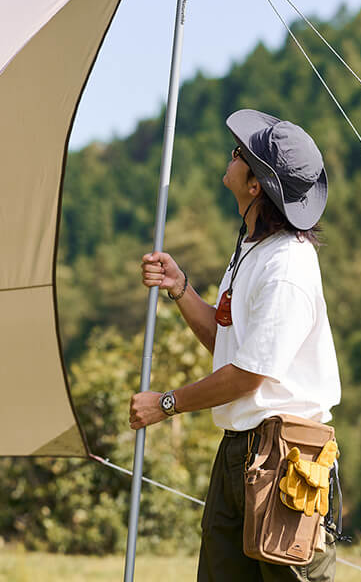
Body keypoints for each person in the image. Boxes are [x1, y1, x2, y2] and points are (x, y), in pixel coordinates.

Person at [129, 109, 341, 582]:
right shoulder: (253, 250)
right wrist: (181, 289)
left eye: (243, 154)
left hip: (286, 460)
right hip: (240, 451)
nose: (233, 153)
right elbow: (229, 348)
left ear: (255, 187)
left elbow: (250, 375)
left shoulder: (286, 267)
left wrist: (166, 404)